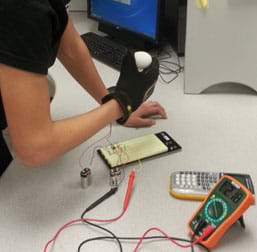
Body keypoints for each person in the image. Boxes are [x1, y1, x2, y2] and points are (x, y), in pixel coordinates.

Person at [0, 0, 167, 175]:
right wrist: (121, 104)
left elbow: (70, 46)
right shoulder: (23, 8)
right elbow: (34, 148)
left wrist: (110, 101)